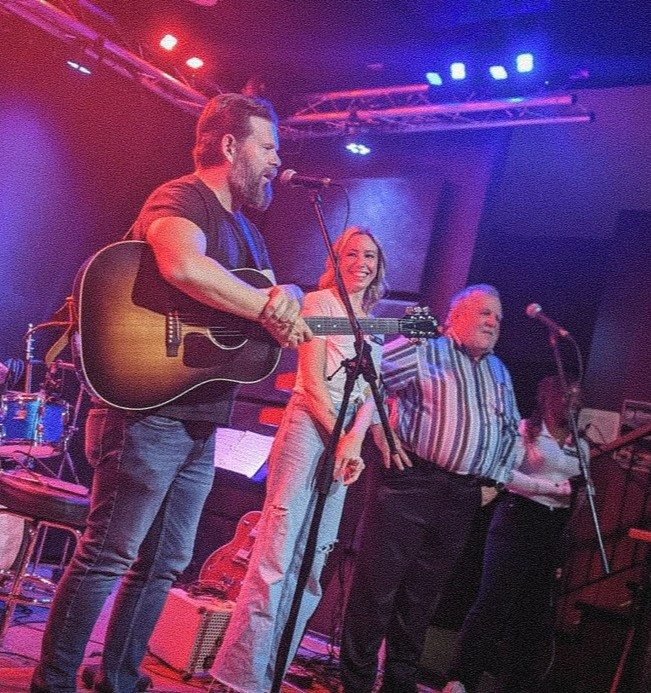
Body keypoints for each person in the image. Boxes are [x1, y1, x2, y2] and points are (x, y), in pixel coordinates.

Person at [30, 93, 311, 693]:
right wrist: (268, 305)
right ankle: (51, 682)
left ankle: (119, 679)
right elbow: (182, 265)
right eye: (268, 147)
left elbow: (263, 304)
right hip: (145, 410)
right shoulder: (182, 197)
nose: (276, 161)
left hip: (199, 419)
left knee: (164, 564)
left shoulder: (250, 236)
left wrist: (283, 296)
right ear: (230, 147)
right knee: (108, 555)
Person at [210, 226, 388, 693]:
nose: (362, 262)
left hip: (346, 439)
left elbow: (374, 389)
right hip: (310, 431)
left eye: (369, 255)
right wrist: (344, 441)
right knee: (277, 554)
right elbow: (309, 386)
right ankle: (239, 677)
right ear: (337, 259)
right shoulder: (316, 304)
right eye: (352, 253)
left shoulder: (376, 321)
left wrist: (354, 442)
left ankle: (273, 674)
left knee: (313, 563)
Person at [339, 284, 522, 693]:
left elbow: (512, 431)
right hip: (410, 486)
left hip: (462, 496)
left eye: (499, 317)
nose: (494, 323)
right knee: (376, 592)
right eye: (485, 314)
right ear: (456, 316)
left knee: (421, 602)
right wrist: (382, 437)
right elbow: (368, 381)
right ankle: (355, 685)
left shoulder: (499, 371)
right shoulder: (423, 349)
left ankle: (399, 686)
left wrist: (495, 483)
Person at [442, 375, 586, 693]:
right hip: (517, 519)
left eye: (577, 396)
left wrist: (568, 517)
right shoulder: (525, 431)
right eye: (566, 395)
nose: (572, 401)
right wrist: (553, 489)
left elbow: (581, 493)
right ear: (547, 397)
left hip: (552, 528)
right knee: (493, 603)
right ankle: (460, 678)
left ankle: (513, 685)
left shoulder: (581, 445)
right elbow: (506, 476)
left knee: (532, 614)